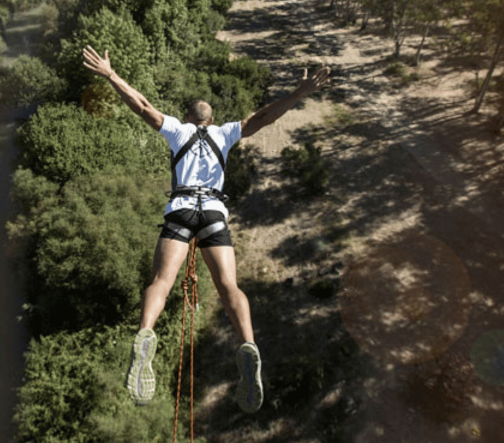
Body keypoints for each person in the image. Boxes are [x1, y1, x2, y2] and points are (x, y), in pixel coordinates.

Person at [82, 45, 330, 413]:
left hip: (180, 211)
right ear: (211, 121)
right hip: (213, 213)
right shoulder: (226, 133)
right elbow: (263, 117)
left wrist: (111, 75)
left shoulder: (178, 131)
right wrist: (298, 93)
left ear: (187, 117)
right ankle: (247, 343)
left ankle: (145, 333)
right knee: (229, 286)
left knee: (161, 283)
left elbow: (142, 106)